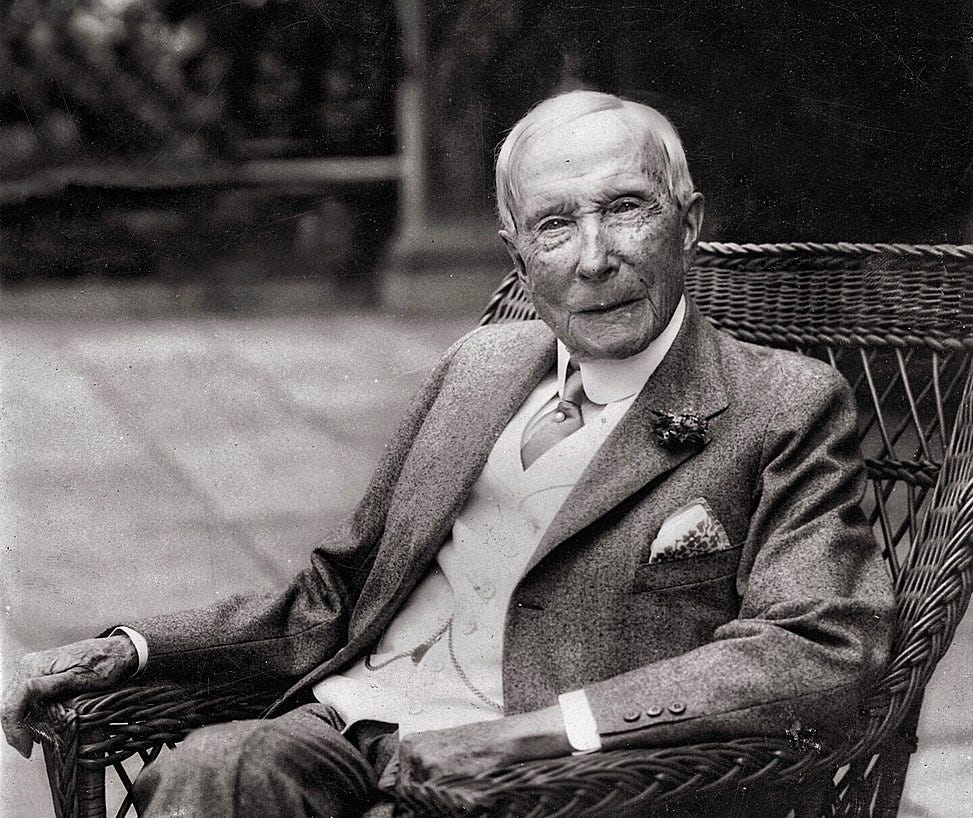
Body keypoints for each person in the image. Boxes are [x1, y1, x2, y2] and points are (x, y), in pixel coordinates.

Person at [2, 91, 895, 817]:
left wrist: (545, 731)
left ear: (688, 223)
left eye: (626, 209)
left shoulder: (783, 403)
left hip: (554, 779)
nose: (594, 258)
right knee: (211, 775)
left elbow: (817, 647)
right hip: (354, 724)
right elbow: (334, 597)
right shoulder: (480, 365)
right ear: (515, 251)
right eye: (553, 226)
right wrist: (138, 646)